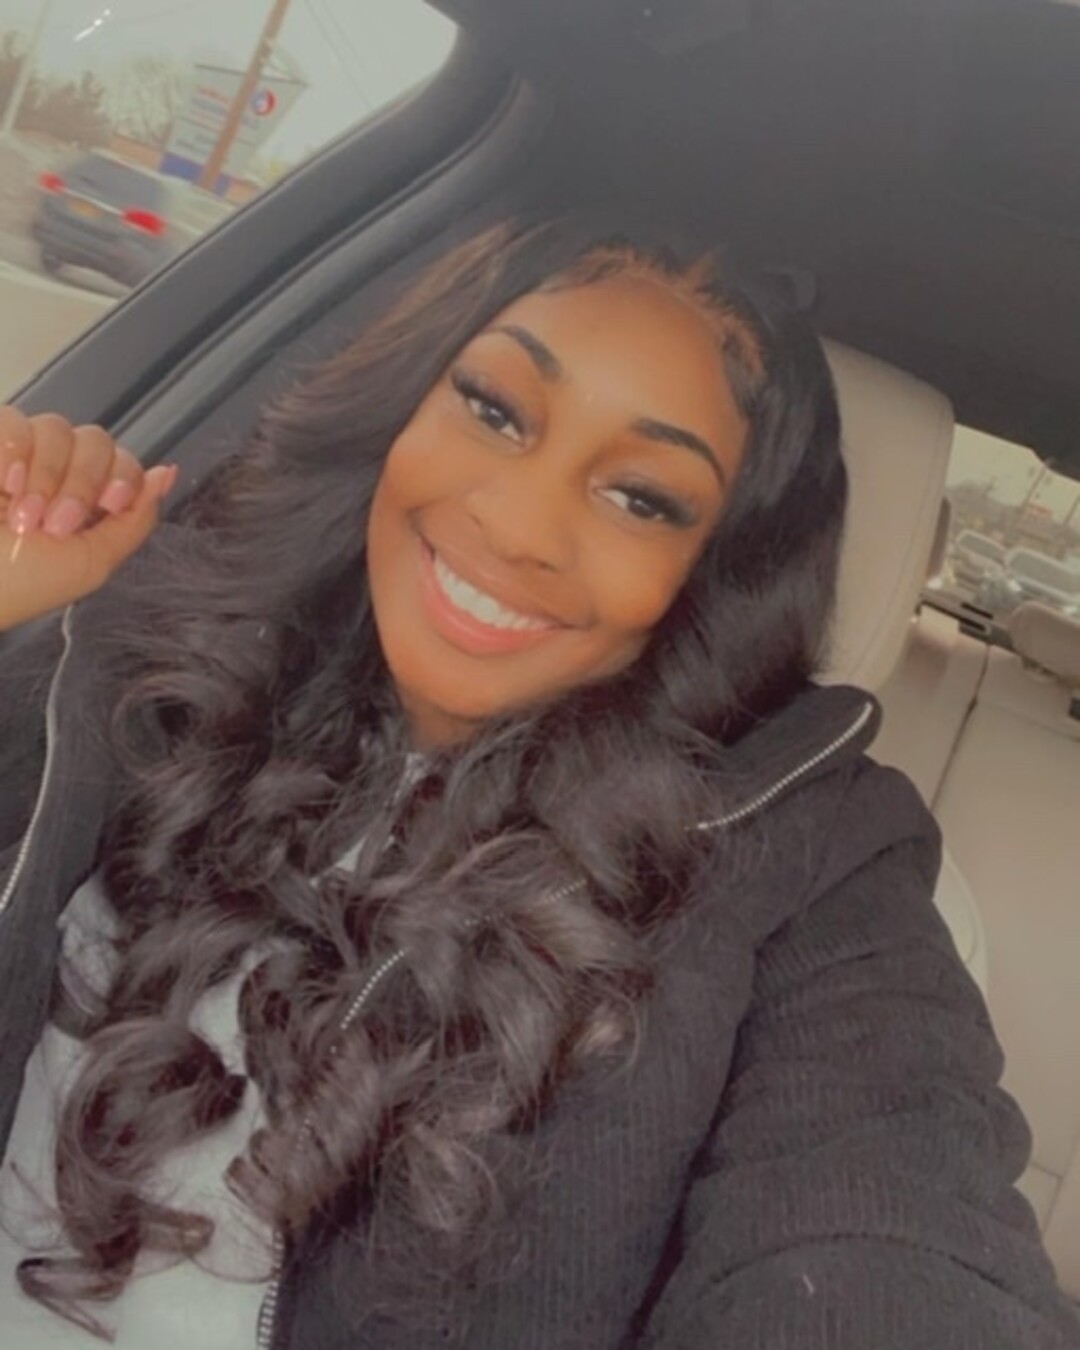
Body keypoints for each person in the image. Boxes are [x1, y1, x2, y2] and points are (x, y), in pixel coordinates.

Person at [0, 218, 1077, 1350]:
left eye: (642, 498)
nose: (518, 526)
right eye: (494, 409)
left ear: (714, 568)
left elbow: (887, 1209)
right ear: (404, 403)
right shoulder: (146, 637)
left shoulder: (808, 860)